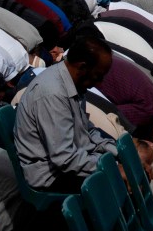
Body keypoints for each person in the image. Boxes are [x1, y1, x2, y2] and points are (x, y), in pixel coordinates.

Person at [14, 35, 117, 193]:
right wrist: (113, 168)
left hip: (70, 160)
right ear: (82, 68)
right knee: (118, 185)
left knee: (132, 170)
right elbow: (64, 158)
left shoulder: (73, 83)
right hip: (50, 176)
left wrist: (120, 153)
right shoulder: (53, 94)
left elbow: (87, 132)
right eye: (98, 77)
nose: (100, 84)